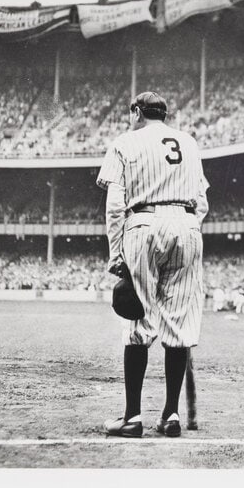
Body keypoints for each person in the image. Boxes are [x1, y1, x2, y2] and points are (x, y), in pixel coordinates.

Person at [97, 91, 209, 439]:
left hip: (143, 223)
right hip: (187, 225)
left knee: (138, 324)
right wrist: (186, 227)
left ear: (136, 111)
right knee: (178, 325)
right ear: (165, 113)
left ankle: (132, 418)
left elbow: (116, 204)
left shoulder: (125, 142)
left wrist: (117, 253)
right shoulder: (189, 143)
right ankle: (171, 415)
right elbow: (203, 201)